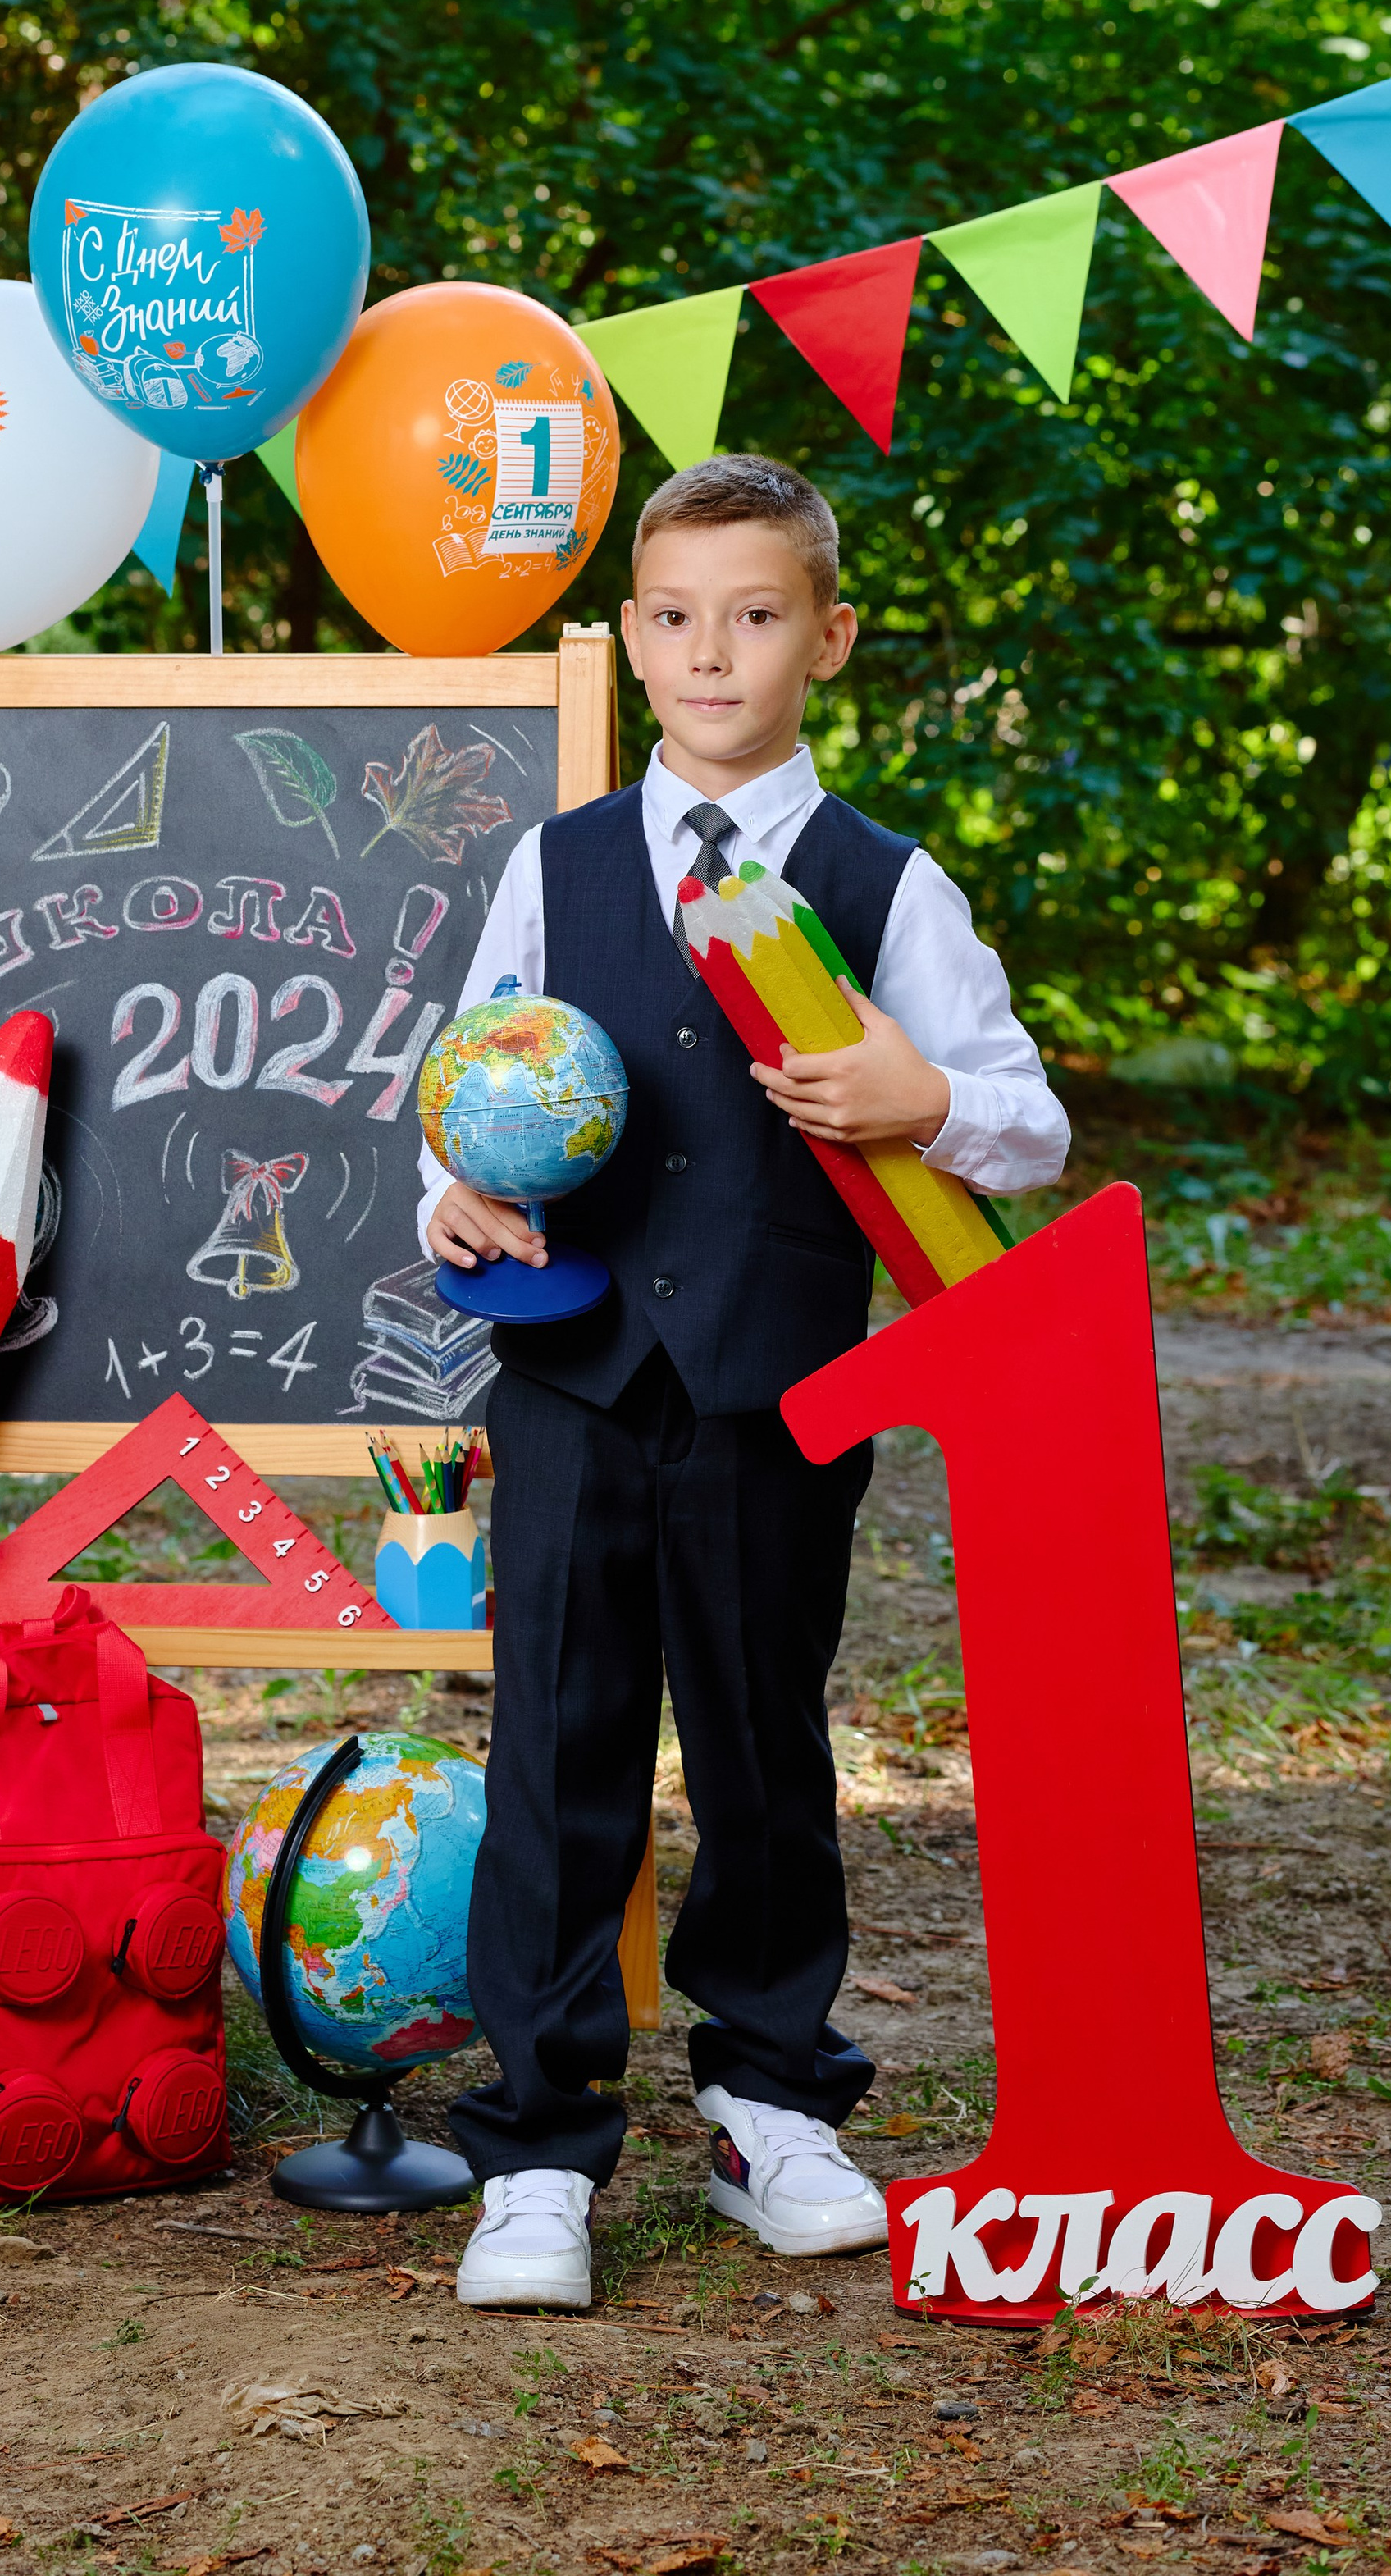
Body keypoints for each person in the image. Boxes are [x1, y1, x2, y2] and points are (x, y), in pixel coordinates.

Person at [418, 452, 1069, 2312]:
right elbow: (465, 1092)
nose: (714, 652)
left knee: (765, 1747)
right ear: (631, 639)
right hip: (568, 1375)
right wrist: (452, 1193)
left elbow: (1024, 1119)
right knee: (553, 1748)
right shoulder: (550, 871)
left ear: (828, 639)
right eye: (679, 615)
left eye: (757, 614)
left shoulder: (880, 885)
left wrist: (920, 1101)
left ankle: (772, 2101)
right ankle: (537, 2145)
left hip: (781, 1389)